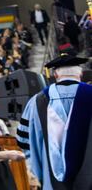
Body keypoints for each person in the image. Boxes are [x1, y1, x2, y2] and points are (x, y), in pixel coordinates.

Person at [16, 53, 92, 190]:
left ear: (56, 75)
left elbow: (23, 141)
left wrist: (37, 171)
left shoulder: (36, 102)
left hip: (51, 182)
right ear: (80, 75)